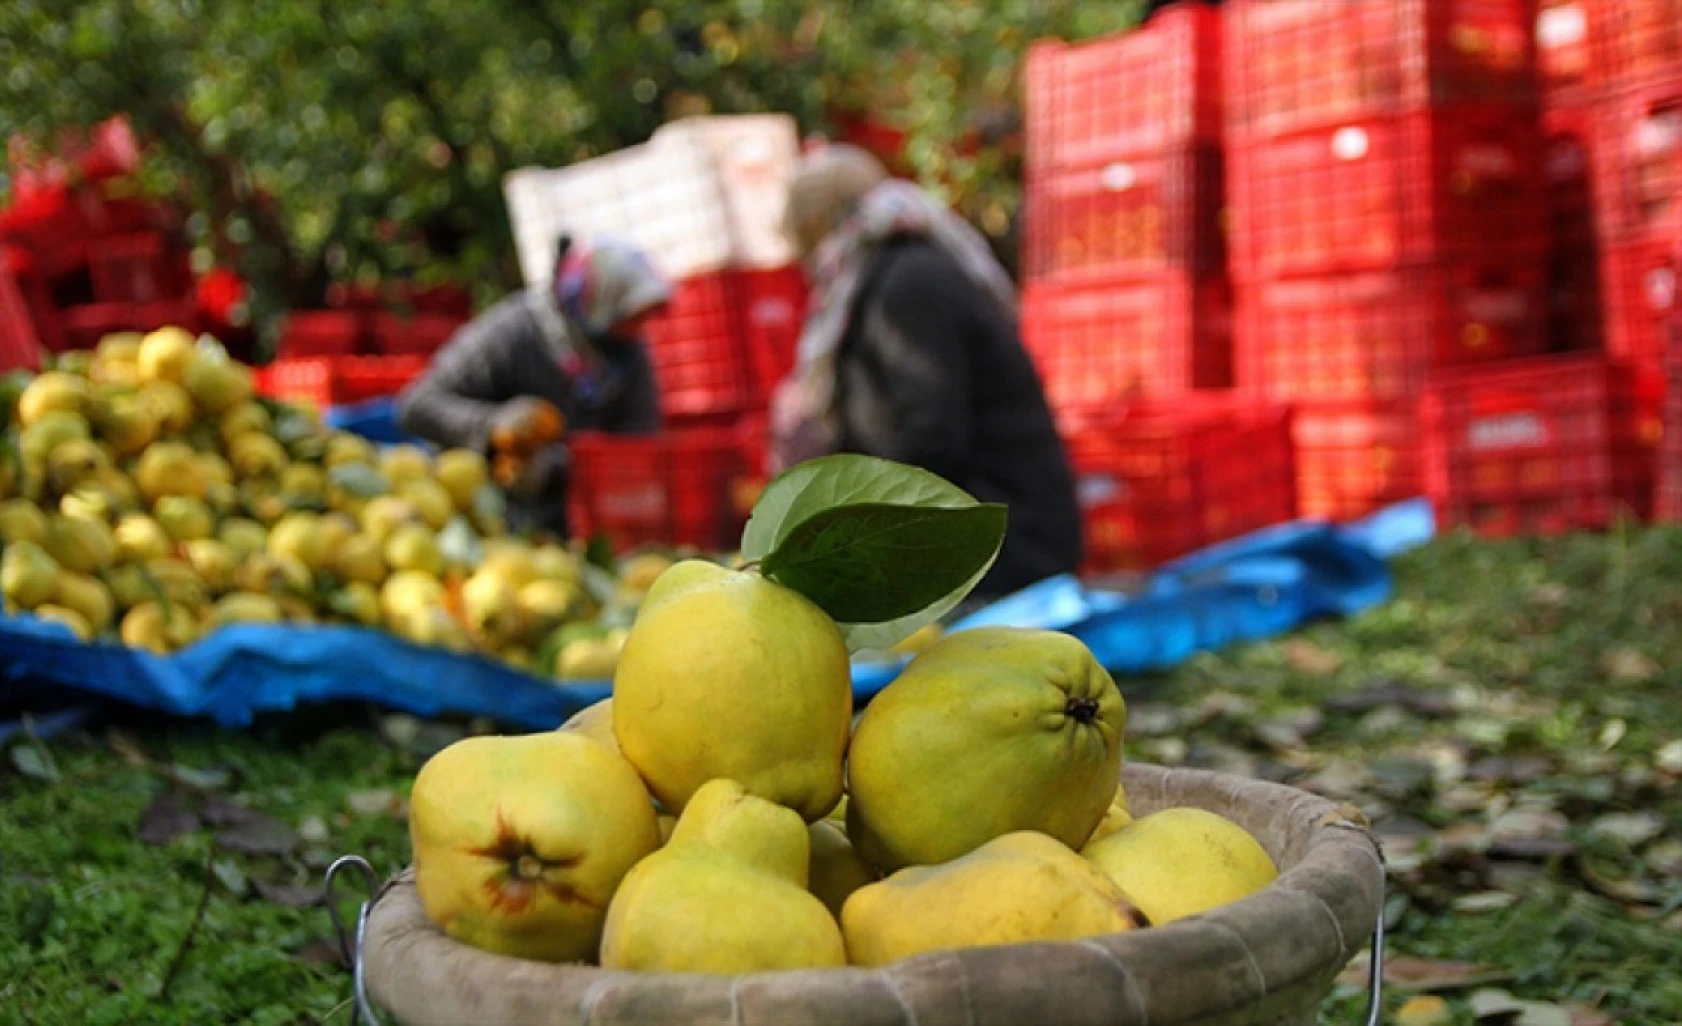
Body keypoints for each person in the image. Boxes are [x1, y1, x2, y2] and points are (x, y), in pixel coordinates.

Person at [772, 143, 1083, 599]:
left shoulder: (908, 285)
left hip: (1006, 548)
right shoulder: (886, 275)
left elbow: (932, 437)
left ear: (815, 226)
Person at [396, 235, 671, 537]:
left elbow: (638, 445)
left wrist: (558, 465)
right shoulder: (512, 333)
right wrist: (492, 426)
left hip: (570, 530)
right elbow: (418, 405)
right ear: (596, 302)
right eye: (630, 316)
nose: (637, 328)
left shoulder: (627, 356)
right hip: (482, 518)